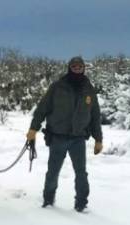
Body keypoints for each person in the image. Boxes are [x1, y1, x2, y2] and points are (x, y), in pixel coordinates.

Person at [26, 56, 103, 212]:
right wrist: (33, 129)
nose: (77, 69)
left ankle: (81, 203)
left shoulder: (89, 89)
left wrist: (98, 139)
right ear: (69, 68)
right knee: (53, 171)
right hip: (58, 136)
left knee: (81, 173)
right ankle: (48, 199)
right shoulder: (57, 87)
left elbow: (95, 115)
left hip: (78, 138)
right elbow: (43, 108)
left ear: (83, 68)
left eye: (80, 67)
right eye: (74, 67)